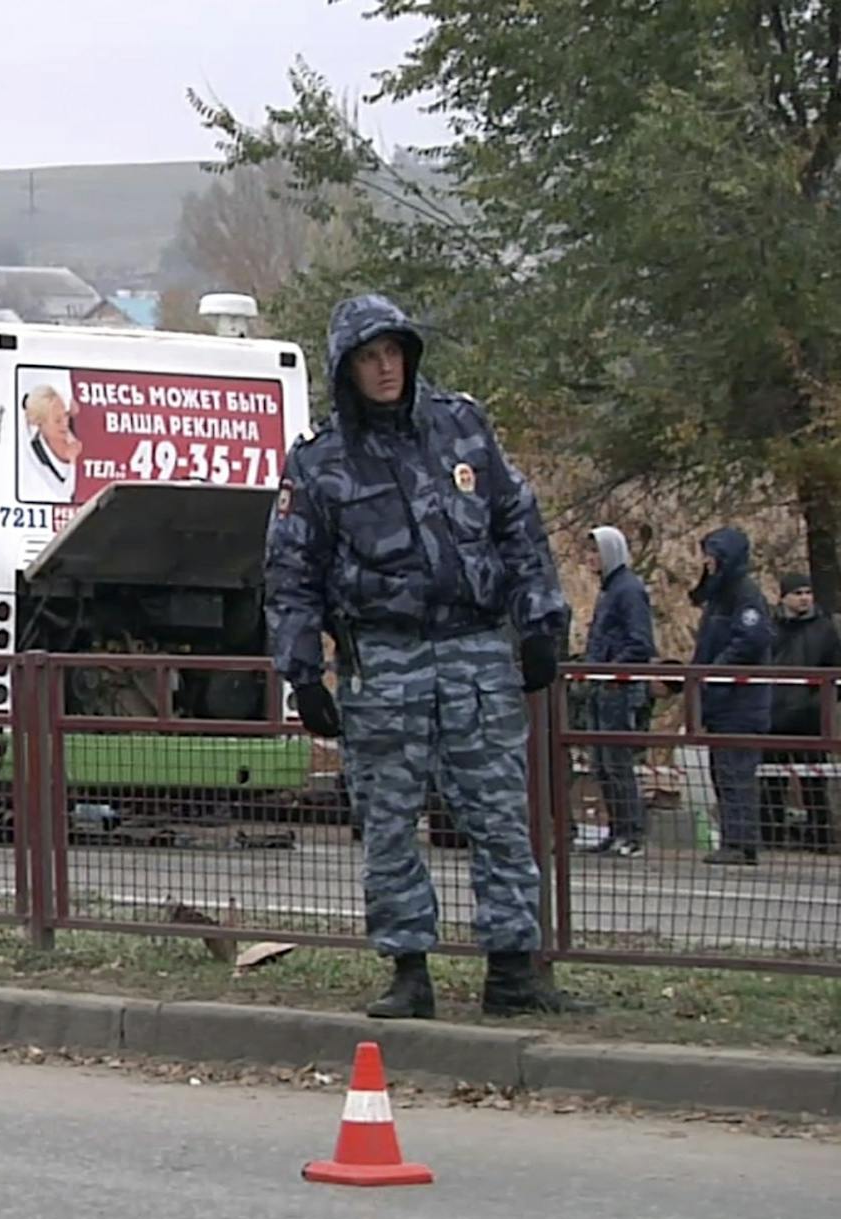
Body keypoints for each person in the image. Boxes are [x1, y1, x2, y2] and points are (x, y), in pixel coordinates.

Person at [265, 293, 589, 1019]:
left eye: (394, 353)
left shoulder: (463, 429)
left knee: (501, 816)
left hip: (476, 651)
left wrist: (541, 622)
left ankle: (514, 970)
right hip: (384, 661)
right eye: (369, 358)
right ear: (345, 369)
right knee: (388, 821)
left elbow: (518, 528)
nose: (386, 369)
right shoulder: (321, 463)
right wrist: (302, 671)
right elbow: (290, 575)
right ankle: (408, 970)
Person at [689, 529, 773, 866]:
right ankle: (734, 839)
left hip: (742, 702)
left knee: (736, 774)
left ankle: (741, 842)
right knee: (723, 773)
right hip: (722, 702)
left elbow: (752, 639)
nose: (706, 561)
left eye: (712, 554)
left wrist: (715, 669)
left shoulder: (745, 595)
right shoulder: (719, 598)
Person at [583, 525, 656, 856]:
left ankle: (632, 832)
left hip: (619, 689)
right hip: (602, 688)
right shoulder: (609, 591)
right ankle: (617, 828)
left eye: (595, 551)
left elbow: (640, 642)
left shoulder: (628, 590)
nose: (590, 558)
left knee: (617, 762)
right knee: (601, 763)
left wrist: (611, 670)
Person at [759, 572, 837, 851]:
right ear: (784, 597)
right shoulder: (769, 627)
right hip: (774, 713)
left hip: (809, 716)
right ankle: (770, 835)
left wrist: (820, 702)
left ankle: (820, 836)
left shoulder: (825, 629)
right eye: (798, 593)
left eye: (807, 592)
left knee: (814, 780)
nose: (804, 598)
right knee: (771, 780)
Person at [18, 381, 81, 504]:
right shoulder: (37, 454)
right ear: (41, 424)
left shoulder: (68, 424)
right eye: (57, 420)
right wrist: (73, 461)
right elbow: (65, 492)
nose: (65, 424)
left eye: (65, 415)